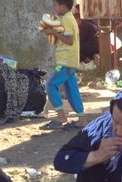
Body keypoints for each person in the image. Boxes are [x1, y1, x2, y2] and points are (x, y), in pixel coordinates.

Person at [41, 0, 86, 130]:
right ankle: (82, 119)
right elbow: (68, 39)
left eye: (55, 5)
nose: (54, 7)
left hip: (65, 62)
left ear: (63, 6)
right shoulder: (69, 18)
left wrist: (54, 33)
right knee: (72, 89)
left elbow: (69, 41)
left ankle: (61, 115)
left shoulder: (66, 19)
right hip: (70, 61)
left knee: (50, 84)